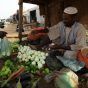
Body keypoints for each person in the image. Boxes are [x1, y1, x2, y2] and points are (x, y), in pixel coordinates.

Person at [46, 7, 87, 72]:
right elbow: (52, 30)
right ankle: (63, 63)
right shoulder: (61, 24)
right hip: (63, 48)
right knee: (52, 54)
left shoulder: (80, 28)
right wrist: (44, 30)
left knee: (68, 55)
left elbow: (80, 46)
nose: (64, 21)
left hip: (74, 51)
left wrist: (60, 47)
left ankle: (74, 68)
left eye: (66, 19)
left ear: (74, 18)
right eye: (63, 19)